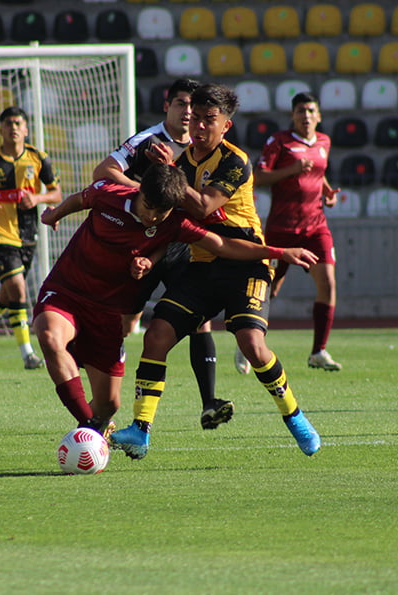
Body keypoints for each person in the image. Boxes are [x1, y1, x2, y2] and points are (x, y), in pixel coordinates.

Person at [110, 83, 323, 460]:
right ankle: (140, 430)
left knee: (251, 344)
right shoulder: (181, 163)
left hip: (247, 264)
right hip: (204, 264)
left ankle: (294, 416)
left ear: (226, 125)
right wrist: (151, 258)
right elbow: (174, 223)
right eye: (195, 118)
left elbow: (204, 207)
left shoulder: (234, 161)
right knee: (156, 335)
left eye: (209, 119)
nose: (199, 126)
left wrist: (168, 172)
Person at [33, 163, 317, 438]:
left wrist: (279, 252)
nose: (152, 217)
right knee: (49, 336)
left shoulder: (175, 223)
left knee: (108, 405)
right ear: (140, 191)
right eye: (148, 206)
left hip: (107, 311)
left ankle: (95, 428)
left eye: (161, 212)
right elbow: (79, 199)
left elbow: (223, 245)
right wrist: (54, 214)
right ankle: (88, 430)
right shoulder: (108, 194)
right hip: (66, 291)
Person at [92, 78, 233, 431]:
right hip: (142, 245)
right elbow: (102, 172)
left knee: (200, 318)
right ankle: (104, 407)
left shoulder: (206, 147)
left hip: (181, 244)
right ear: (167, 107)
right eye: (181, 104)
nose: (188, 113)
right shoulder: (147, 141)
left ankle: (210, 403)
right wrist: (149, 192)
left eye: (194, 107)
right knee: (126, 323)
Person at [0, 106, 63, 370]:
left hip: (28, 234)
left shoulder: (38, 158)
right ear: (1, 129)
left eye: (18, 123)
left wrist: (38, 198)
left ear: (26, 129)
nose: (13, 128)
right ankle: (28, 354)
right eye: (8, 123)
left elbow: (56, 193)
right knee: (18, 288)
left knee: (9, 294)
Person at [251, 92, 343, 372]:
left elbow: (318, 173)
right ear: (292, 115)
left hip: (315, 226)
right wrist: (293, 169)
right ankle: (249, 344)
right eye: (301, 110)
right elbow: (259, 177)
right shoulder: (279, 142)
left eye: (311, 110)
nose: (306, 115)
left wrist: (327, 192)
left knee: (328, 284)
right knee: (268, 289)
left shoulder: (324, 141)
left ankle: (319, 351)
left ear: (319, 116)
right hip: (282, 228)